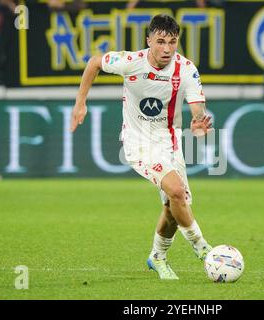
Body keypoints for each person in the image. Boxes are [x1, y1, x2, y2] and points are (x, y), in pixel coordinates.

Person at [70, 14, 213, 280]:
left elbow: (197, 109)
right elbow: (94, 63)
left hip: (170, 142)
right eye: (161, 41)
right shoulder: (130, 62)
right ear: (149, 41)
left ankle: (157, 257)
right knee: (176, 190)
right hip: (137, 142)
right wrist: (80, 103)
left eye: (172, 42)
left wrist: (198, 124)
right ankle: (204, 249)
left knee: (174, 206)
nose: (167, 49)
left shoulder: (186, 69)